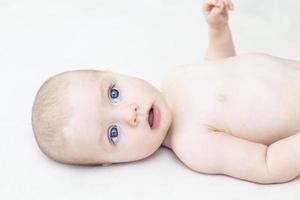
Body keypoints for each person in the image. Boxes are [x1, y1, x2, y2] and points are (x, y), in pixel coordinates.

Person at [32, 0, 300, 184]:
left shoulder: (175, 77)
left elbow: (219, 65)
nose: (130, 113)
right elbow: (267, 164)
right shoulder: (192, 144)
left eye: (114, 94)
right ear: (110, 163)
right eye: (113, 133)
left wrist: (217, 30)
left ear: (114, 73)